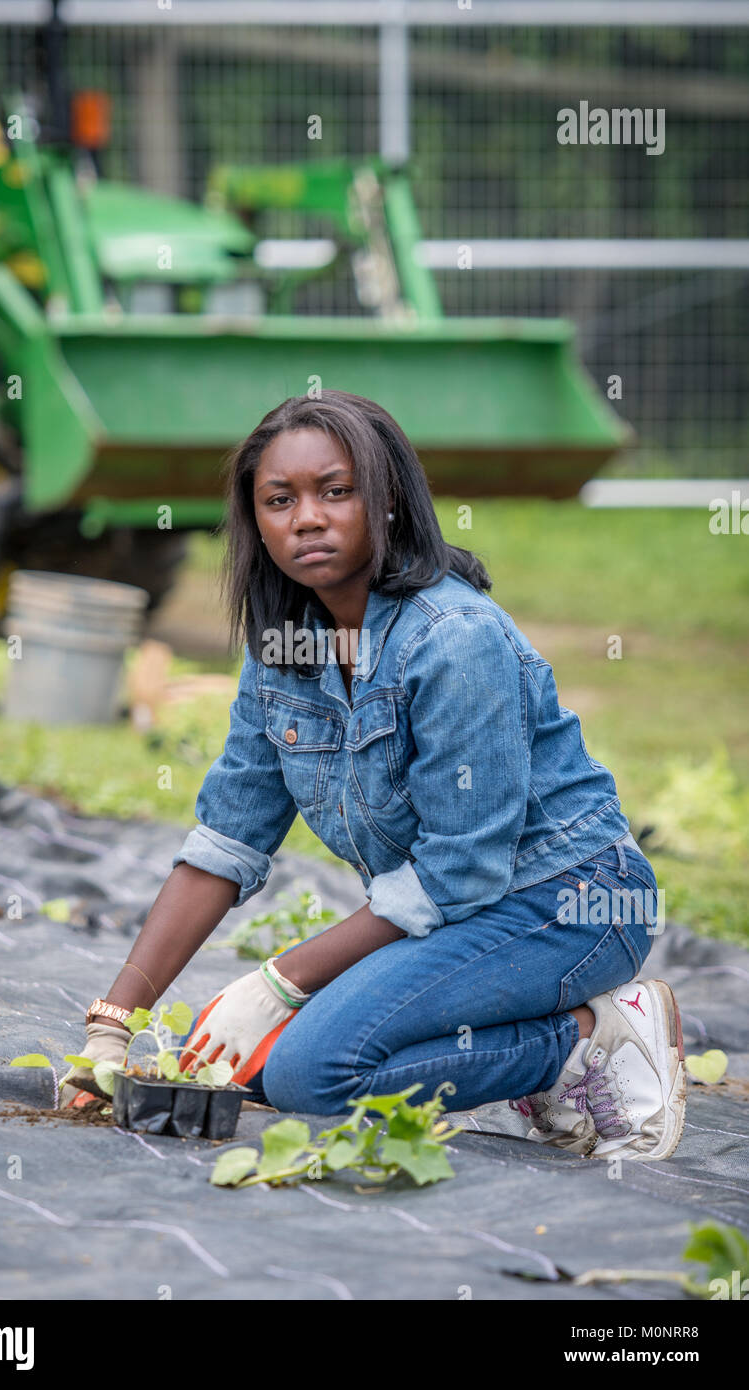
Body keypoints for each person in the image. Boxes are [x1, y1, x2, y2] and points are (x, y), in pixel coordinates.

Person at [61, 390, 686, 1161]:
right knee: (220, 1056)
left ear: (387, 503)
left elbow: (462, 867)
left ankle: (592, 1039)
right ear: (255, 522)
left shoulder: (454, 640)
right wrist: (111, 1023)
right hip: (460, 914)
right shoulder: (286, 649)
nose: (307, 518)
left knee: (312, 1073)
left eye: (336, 491)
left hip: (570, 903)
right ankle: (522, 1044)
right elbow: (227, 838)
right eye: (279, 500)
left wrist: (280, 981)